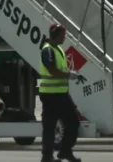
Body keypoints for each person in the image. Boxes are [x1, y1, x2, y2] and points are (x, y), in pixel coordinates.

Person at [39, 23, 83, 162]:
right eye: (63, 35)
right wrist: (69, 75)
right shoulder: (47, 50)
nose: (65, 37)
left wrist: (71, 74)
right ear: (56, 35)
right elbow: (52, 70)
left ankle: (64, 151)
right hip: (50, 96)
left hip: (62, 95)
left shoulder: (58, 49)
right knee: (50, 127)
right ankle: (47, 157)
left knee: (74, 122)